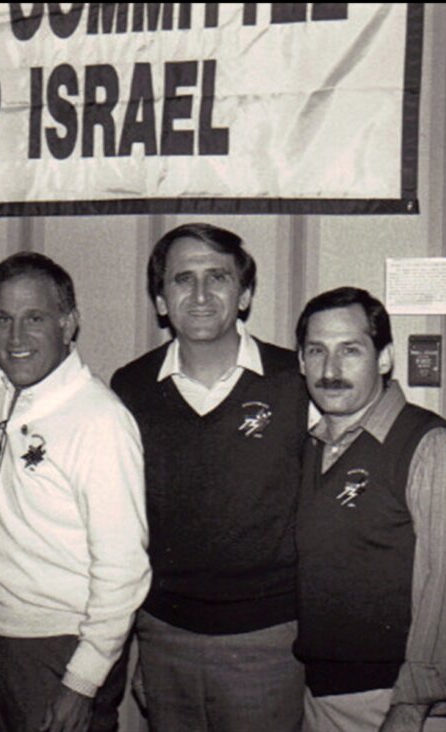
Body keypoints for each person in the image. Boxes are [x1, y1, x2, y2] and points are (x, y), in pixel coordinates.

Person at [110, 223, 307, 731]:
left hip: (268, 640)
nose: (199, 295)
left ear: (244, 295)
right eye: (182, 279)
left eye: (217, 277)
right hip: (163, 634)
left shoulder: (296, 382)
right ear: (160, 299)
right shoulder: (130, 387)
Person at [294, 287, 446, 732]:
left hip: (399, 705)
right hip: (321, 698)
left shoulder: (431, 445)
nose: (331, 369)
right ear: (301, 361)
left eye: (351, 350)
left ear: (384, 358)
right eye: (317, 351)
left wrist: (411, 706)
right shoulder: (309, 448)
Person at [0, 252, 150, 732]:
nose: (16, 338)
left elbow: (125, 571)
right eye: (3, 319)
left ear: (68, 323)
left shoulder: (99, 420)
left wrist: (81, 682)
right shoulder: (9, 392)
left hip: (61, 646)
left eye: (35, 319)